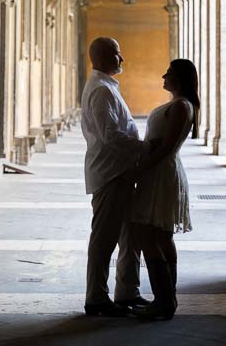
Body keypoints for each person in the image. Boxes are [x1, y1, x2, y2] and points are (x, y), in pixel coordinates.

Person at [81, 36, 153, 317]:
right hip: (110, 173)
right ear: (101, 57)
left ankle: (126, 292)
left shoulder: (106, 86)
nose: (122, 59)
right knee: (104, 239)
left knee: (129, 236)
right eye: (117, 54)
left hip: (119, 172)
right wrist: (143, 146)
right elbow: (109, 134)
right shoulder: (101, 90)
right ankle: (96, 297)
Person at [131, 58, 200, 321]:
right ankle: (167, 299)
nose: (164, 75)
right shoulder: (179, 104)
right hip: (160, 172)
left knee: (149, 235)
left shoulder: (181, 106)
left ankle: (163, 299)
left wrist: (139, 169)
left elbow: (167, 147)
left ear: (180, 78)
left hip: (161, 173)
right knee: (161, 236)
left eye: (169, 72)